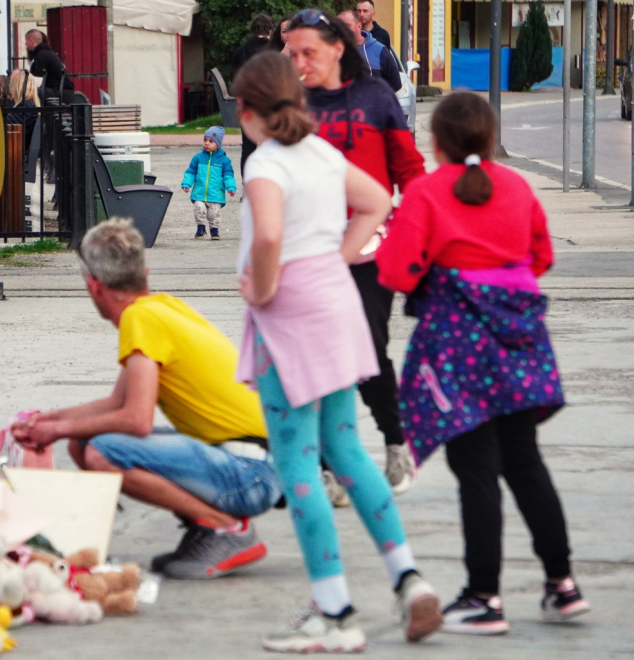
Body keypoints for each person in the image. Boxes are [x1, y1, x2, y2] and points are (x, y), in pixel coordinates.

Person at [231, 51, 441, 653]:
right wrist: (340, 255)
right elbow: (377, 203)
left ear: (246, 112)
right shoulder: (322, 151)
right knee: (346, 447)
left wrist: (265, 287)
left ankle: (335, 609)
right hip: (335, 304)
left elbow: (268, 234)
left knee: (297, 462)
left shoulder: (266, 164)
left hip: (288, 318)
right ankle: (408, 576)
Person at [376, 92, 591, 635]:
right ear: (491, 137)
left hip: (458, 348)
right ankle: (562, 585)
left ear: (438, 142)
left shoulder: (426, 192)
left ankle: (484, 597)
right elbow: (542, 257)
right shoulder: (518, 187)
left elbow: (396, 273)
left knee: (476, 470)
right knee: (524, 461)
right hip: (521, 341)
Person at [12, 219, 282, 581]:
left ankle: (226, 529)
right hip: (259, 463)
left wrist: (57, 430)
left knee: (102, 451)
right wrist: (50, 421)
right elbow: (115, 403)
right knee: (85, 442)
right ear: (144, 272)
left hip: (249, 474)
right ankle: (209, 527)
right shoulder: (159, 307)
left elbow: (136, 419)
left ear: (93, 284)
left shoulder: (139, 319)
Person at [286, 9, 425, 500]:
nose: (299, 61)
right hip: (309, 250)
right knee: (316, 358)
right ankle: (328, 464)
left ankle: (395, 443)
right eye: (292, 52)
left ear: (337, 49)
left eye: (309, 52)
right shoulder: (292, 104)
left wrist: (420, 234)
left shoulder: (375, 97)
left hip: (371, 249)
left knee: (366, 351)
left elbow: (409, 169)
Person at [233, 13, 275, 172]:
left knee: (248, 146)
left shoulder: (241, 51)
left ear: (252, 30)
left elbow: (235, 78)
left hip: (248, 103)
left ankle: (247, 184)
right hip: (269, 102)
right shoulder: (274, 50)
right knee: (271, 144)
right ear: (270, 30)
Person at [181, 126, 237, 240]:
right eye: (205, 140)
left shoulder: (225, 161)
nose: (207, 143)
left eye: (211, 141)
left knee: (213, 214)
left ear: (218, 144)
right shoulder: (198, 158)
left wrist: (231, 187)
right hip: (199, 192)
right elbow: (191, 172)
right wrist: (186, 183)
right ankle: (200, 228)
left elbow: (228, 176)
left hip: (216, 194)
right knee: (199, 209)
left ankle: (214, 230)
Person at [339, 9, 401, 91]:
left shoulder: (379, 50)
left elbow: (395, 83)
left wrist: (377, 98)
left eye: (346, 26)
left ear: (359, 26)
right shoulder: (333, 50)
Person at [25, 29, 74, 104]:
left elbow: (37, 82)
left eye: (26, 41)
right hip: (65, 92)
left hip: (58, 93)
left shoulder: (41, 56)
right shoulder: (48, 53)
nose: (25, 44)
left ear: (31, 41)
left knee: (29, 95)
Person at [5, 69, 40, 149]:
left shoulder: (26, 106)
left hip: (19, 153)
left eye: (11, 84)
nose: (10, 89)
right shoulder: (28, 105)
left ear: (18, 87)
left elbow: (4, 124)